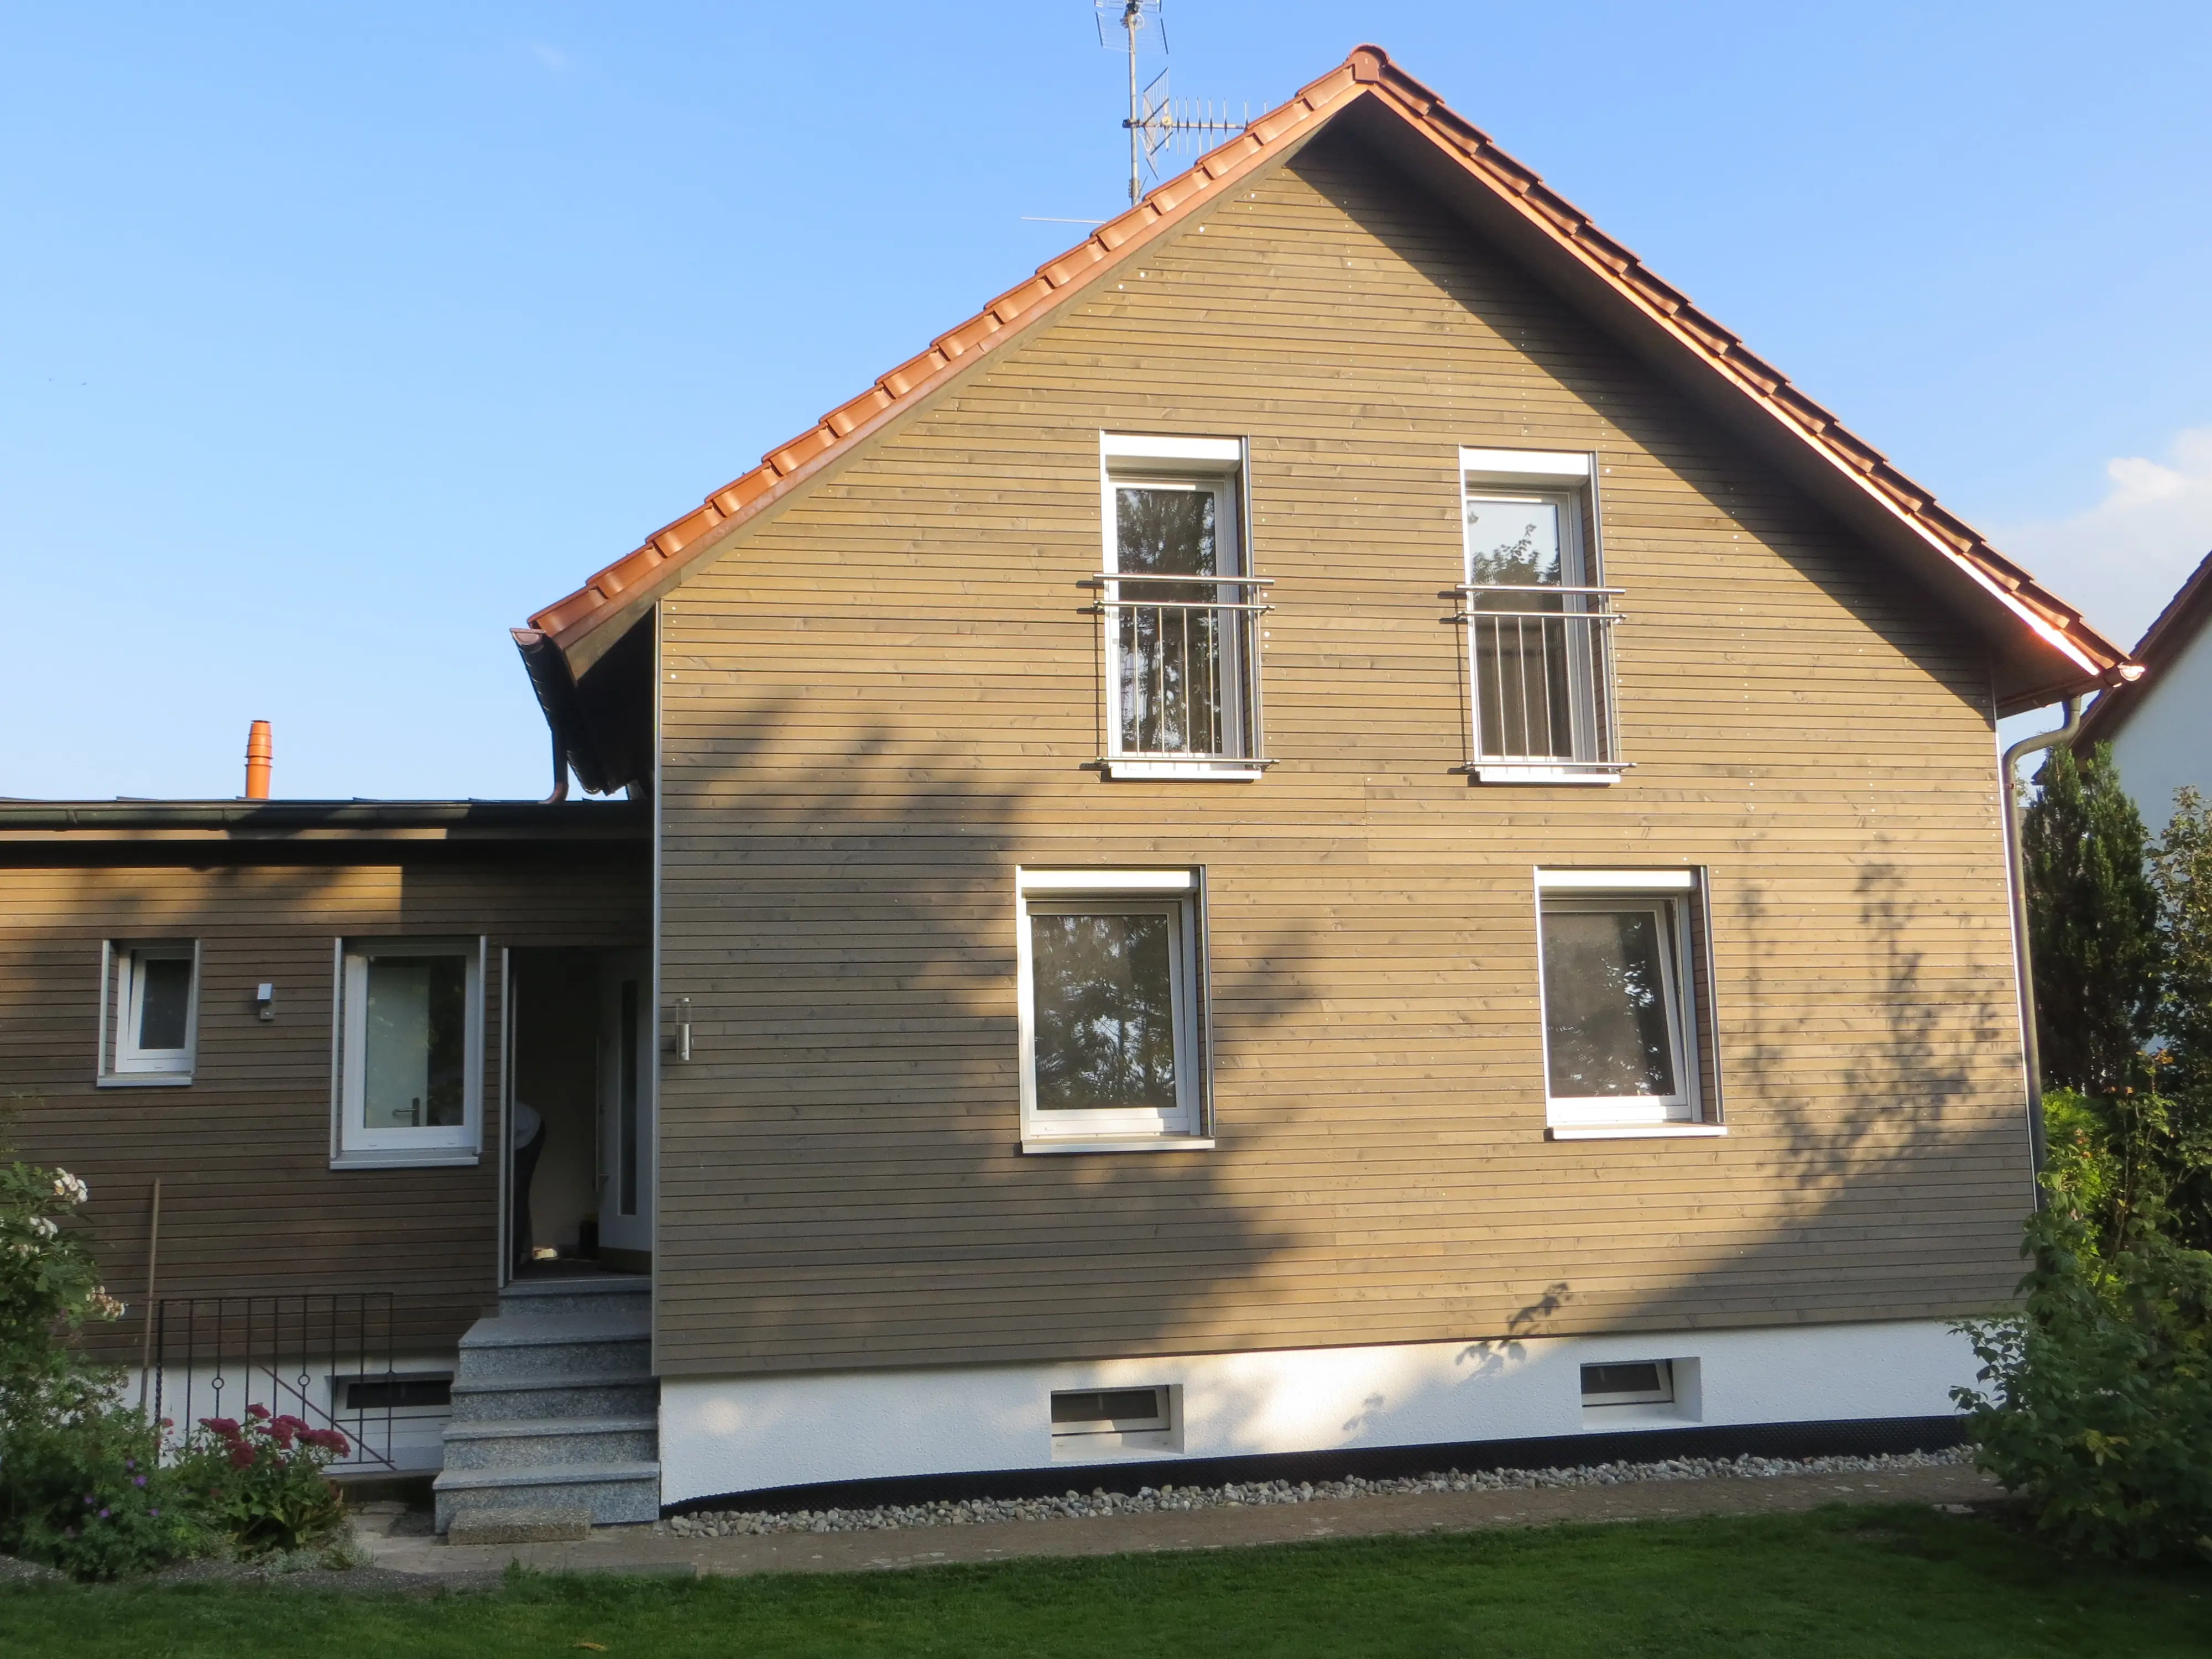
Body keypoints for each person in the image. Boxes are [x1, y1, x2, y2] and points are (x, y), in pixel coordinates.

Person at [511, 1100, 545, 1275]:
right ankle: (520, 1251)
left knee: (516, 1194)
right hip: (518, 1129)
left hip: (529, 1132)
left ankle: (516, 1255)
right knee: (514, 1195)